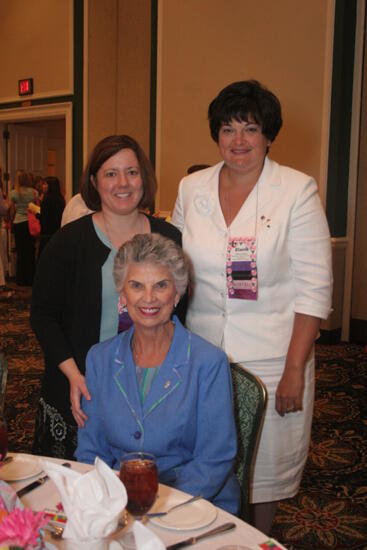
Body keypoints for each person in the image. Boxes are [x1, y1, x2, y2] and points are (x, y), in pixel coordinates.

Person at [171, 80, 333, 532]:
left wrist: (295, 368)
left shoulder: (296, 190)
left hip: (274, 357)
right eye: (227, 129)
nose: (238, 141)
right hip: (201, 355)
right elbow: (174, 269)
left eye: (249, 128)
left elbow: (315, 288)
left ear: (268, 135)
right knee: (203, 461)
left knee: (263, 476)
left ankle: (259, 540)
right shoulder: (191, 188)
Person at [30, 135, 185, 460]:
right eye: (111, 173)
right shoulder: (67, 243)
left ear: (144, 177)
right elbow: (43, 315)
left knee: (144, 495)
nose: (123, 183)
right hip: (79, 388)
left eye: (131, 172)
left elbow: (181, 313)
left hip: (151, 391)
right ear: (93, 182)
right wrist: (73, 374)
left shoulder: (169, 239)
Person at [76, 233, 240, 514]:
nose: (148, 298)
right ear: (122, 293)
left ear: (177, 293)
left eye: (161, 285)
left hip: (193, 502)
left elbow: (214, 460)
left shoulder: (208, 363)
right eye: (136, 285)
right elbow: (91, 452)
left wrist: (156, 506)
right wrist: (113, 502)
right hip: (120, 501)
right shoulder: (99, 359)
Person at [9, 170, 38, 286]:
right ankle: (31, 278)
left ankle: (20, 279)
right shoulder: (34, 193)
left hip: (18, 222)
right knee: (30, 251)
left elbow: (11, 210)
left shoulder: (14, 193)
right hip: (29, 223)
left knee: (20, 251)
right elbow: (36, 209)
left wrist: (11, 222)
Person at [38, 176, 65, 257]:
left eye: (45, 184)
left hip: (46, 235)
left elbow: (44, 219)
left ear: (50, 186)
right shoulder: (61, 199)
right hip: (57, 234)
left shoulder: (46, 199)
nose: (43, 186)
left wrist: (36, 215)